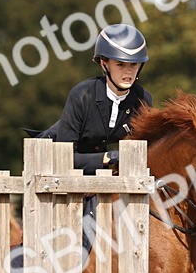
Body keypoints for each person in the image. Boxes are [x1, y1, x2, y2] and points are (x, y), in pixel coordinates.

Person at [39, 23, 153, 173]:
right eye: (120, 64)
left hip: (106, 177)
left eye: (133, 64)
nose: (128, 72)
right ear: (104, 64)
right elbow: (64, 157)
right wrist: (108, 157)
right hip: (53, 167)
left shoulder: (142, 99)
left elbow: (144, 150)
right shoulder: (82, 95)